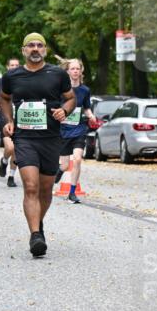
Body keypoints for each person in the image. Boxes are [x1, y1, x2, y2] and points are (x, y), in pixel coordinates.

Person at [0, 33, 75, 257]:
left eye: (39, 45)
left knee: (45, 189)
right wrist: (9, 120)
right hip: (24, 139)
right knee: (31, 186)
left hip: (51, 138)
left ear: (45, 50)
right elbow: (4, 98)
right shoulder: (12, 76)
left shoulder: (57, 74)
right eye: (30, 45)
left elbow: (70, 97)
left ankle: (38, 223)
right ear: (23, 50)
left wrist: (65, 110)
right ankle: (35, 236)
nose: (35, 49)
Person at [56, 58, 96, 203]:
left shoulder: (85, 90)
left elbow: (86, 107)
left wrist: (91, 116)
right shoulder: (62, 90)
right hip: (64, 130)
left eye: (77, 69)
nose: (75, 71)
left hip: (79, 129)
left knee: (78, 159)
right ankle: (59, 171)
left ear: (81, 71)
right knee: (65, 165)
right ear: (67, 71)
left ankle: (72, 193)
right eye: (72, 69)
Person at [0, 57, 22, 187]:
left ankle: (11, 176)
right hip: (5, 117)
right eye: (12, 65)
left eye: (17, 65)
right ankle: (4, 160)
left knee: (17, 149)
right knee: (10, 147)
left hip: (20, 118)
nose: (14, 67)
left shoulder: (24, 81)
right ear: (7, 67)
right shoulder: (2, 81)